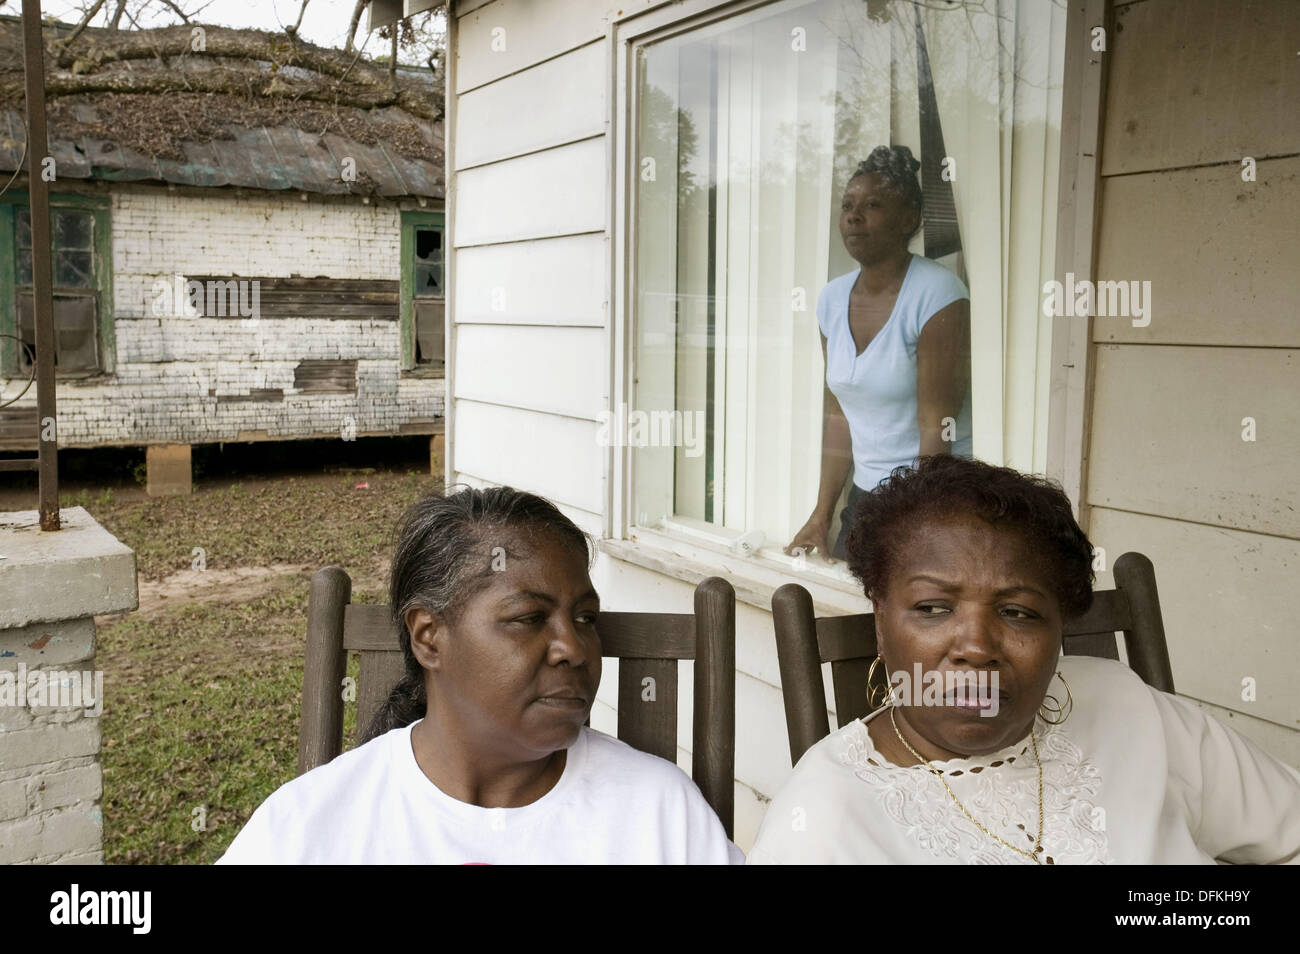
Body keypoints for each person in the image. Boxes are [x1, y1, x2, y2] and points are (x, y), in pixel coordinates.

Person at [753, 455, 1300, 864]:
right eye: (934, 608)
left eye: (1018, 613)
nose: (976, 647)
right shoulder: (823, 823)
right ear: (880, 618)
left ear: (1060, 625)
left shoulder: (1126, 707)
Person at [219, 486, 742, 864]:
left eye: (585, 619)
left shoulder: (656, 814)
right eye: (528, 619)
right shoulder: (316, 825)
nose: (574, 648)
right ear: (429, 637)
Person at [786, 144, 971, 562]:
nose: (854, 215)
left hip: (935, 501)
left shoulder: (936, 294)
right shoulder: (831, 300)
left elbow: (936, 427)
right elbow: (839, 416)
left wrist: (919, 527)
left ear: (908, 220)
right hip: (867, 497)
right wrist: (822, 513)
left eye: (872, 205)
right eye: (847, 205)